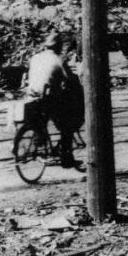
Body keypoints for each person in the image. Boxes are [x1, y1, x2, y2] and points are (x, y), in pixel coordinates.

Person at [25, 32, 83, 168]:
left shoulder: (35, 58)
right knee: (67, 126)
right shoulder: (58, 59)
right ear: (57, 46)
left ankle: (40, 145)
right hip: (48, 99)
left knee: (42, 123)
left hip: (32, 97)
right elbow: (70, 78)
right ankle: (66, 158)